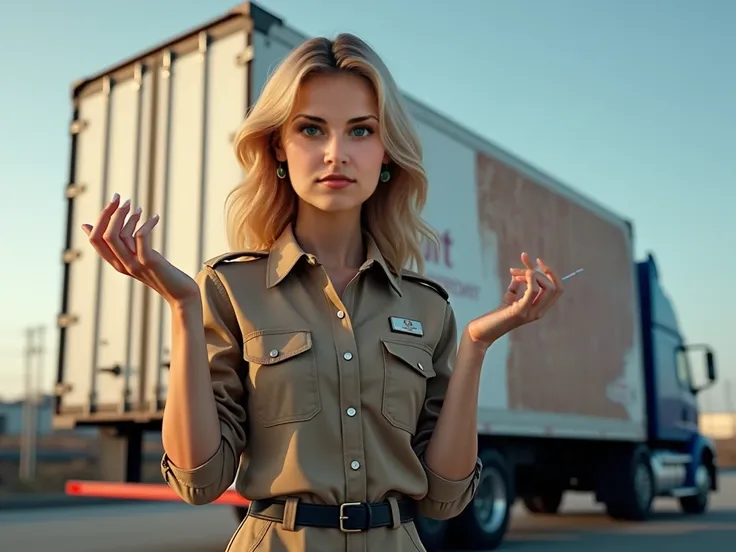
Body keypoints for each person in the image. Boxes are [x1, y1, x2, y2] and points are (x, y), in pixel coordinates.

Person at [81, 33, 564, 552]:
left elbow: (444, 499)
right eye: (311, 129)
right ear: (279, 149)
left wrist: (474, 346)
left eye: (361, 130)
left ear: (386, 155)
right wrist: (183, 306)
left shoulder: (428, 307)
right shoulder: (230, 287)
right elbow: (200, 482)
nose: (336, 153)